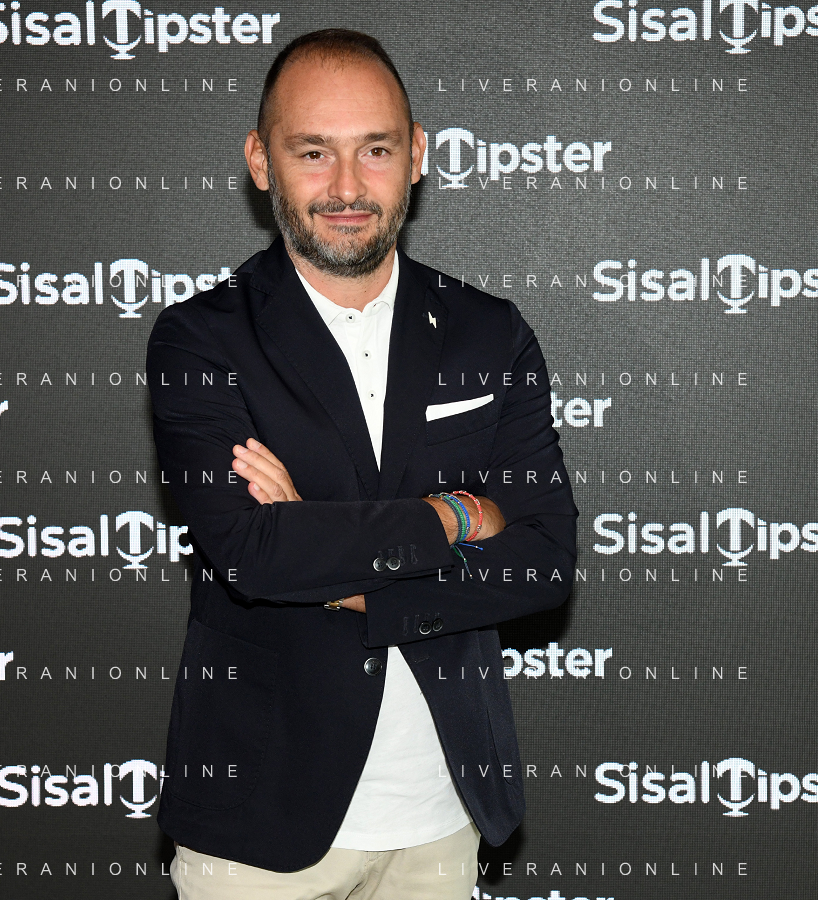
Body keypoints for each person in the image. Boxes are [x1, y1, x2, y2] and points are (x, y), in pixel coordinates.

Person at [147, 28, 577, 900]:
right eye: (313, 152)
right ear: (260, 161)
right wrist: (459, 515)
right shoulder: (201, 339)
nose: (346, 187)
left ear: (416, 155)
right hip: (257, 827)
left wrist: (338, 562)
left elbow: (541, 562)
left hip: (442, 817)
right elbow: (252, 553)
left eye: (374, 150)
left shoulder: (488, 332)